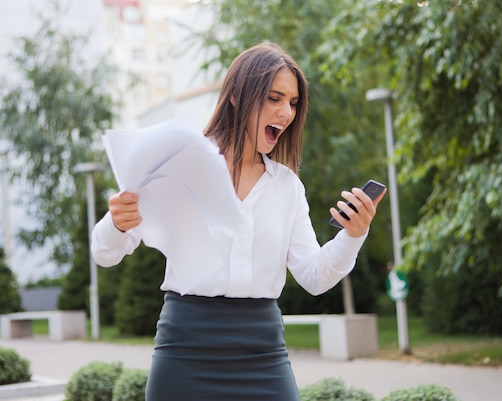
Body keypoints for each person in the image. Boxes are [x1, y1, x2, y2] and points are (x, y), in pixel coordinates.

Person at [91, 41, 386, 401]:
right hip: (185, 349)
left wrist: (353, 235)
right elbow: (105, 254)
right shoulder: (179, 165)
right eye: (274, 98)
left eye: (293, 103)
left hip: (263, 354)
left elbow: (314, 276)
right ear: (235, 97)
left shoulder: (287, 187)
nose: (286, 113)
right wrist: (117, 222)